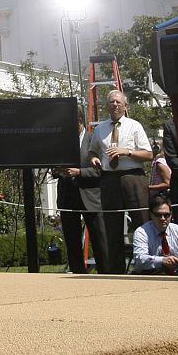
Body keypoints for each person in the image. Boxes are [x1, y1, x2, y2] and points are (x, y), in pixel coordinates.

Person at [92, 90, 152, 273]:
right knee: (112, 226)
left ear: (125, 106)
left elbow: (148, 154)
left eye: (118, 102)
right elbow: (92, 151)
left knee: (141, 222)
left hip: (132, 177)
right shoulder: (100, 129)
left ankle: (146, 266)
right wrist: (93, 158)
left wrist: (127, 152)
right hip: (109, 179)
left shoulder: (134, 126)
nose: (115, 105)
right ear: (107, 106)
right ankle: (115, 270)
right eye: (112, 102)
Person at [55, 113, 112, 274]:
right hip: (67, 197)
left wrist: (79, 172)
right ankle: (77, 272)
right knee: (72, 240)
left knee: (100, 238)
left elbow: (101, 170)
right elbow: (54, 167)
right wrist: (58, 170)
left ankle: (106, 272)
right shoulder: (62, 142)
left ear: (80, 120)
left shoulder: (94, 139)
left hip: (90, 197)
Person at [130, 197, 178, 275]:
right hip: (150, 276)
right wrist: (162, 261)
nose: (162, 218)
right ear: (151, 215)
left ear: (171, 215)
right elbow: (140, 259)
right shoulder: (141, 232)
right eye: (158, 215)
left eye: (166, 215)